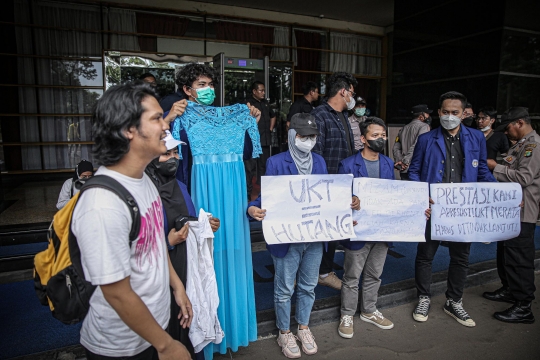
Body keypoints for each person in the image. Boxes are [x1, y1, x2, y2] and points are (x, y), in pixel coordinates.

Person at [71, 82, 192, 359]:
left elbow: (154, 243)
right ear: (128, 130)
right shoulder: (102, 204)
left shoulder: (144, 179)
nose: (166, 125)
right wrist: (166, 344)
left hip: (154, 328)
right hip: (121, 346)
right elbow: (116, 293)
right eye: (156, 118)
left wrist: (177, 286)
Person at [247, 113, 359, 358]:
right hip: (287, 238)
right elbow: (267, 196)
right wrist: (252, 208)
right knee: (285, 288)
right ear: (291, 135)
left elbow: (325, 195)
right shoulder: (276, 162)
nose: (307, 141)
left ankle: (304, 327)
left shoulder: (318, 161)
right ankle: (284, 332)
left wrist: (344, 206)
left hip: (314, 238)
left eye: (312, 136)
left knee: (308, 286)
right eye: (302, 136)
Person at [172, 62, 260, 359]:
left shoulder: (238, 117)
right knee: (205, 264)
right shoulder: (181, 119)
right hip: (204, 195)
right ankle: (208, 336)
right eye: (201, 84)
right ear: (187, 89)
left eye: (210, 83)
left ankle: (233, 330)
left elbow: (249, 152)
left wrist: (253, 119)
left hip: (233, 198)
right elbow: (176, 167)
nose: (207, 89)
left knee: (233, 258)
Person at [337, 117, 432, 338]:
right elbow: (338, 196)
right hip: (359, 230)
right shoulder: (348, 164)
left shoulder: (389, 163)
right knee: (352, 276)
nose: (380, 139)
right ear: (363, 138)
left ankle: (369, 310)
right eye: (375, 135)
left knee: (374, 274)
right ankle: (347, 314)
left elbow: (395, 197)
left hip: (383, 230)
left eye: (383, 135)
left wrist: (419, 209)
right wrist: (349, 199)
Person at [408, 91, 495, 327]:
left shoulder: (476, 138)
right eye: (445, 112)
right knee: (425, 255)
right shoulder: (427, 139)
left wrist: (503, 196)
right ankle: (423, 297)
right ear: (438, 113)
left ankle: (454, 301)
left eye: (455, 113)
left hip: (462, 209)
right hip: (433, 208)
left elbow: (483, 173)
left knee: (461, 257)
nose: (449, 117)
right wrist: (422, 197)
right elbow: (413, 171)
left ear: (464, 114)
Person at [145, 130, 221, 359]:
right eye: (166, 153)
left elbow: (188, 219)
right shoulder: (144, 191)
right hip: (159, 275)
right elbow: (140, 242)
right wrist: (168, 242)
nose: (173, 158)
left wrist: (207, 224)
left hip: (185, 268)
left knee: (186, 320)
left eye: (176, 152)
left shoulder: (181, 186)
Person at [484, 107, 539, 324]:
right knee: (505, 252)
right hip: (509, 211)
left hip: (523, 212)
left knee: (519, 259)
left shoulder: (533, 146)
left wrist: (495, 166)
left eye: (507, 128)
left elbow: (524, 178)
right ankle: (509, 289)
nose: (506, 134)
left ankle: (524, 306)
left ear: (519, 123)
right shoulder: (520, 146)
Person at [312, 71, 358, 290]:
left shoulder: (343, 116)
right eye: (352, 92)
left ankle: (324, 268)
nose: (353, 98)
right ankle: (321, 271)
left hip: (343, 183)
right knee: (323, 230)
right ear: (343, 91)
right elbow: (315, 155)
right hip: (326, 186)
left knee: (334, 230)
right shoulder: (320, 115)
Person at [247, 81, 276, 186]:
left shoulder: (266, 103)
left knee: (264, 164)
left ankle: (263, 186)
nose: (263, 93)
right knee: (251, 166)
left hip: (265, 139)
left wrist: (270, 128)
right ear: (254, 91)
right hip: (253, 140)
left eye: (264, 90)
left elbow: (273, 116)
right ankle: (249, 189)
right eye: (261, 90)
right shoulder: (248, 104)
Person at [392, 104, 432, 180]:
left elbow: (396, 147)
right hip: (416, 169)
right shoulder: (424, 127)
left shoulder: (403, 128)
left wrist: (400, 161)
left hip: (404, 169)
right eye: (427, 114)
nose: (429, 116)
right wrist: (405, 161)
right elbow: (418, 145)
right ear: (421, 116)